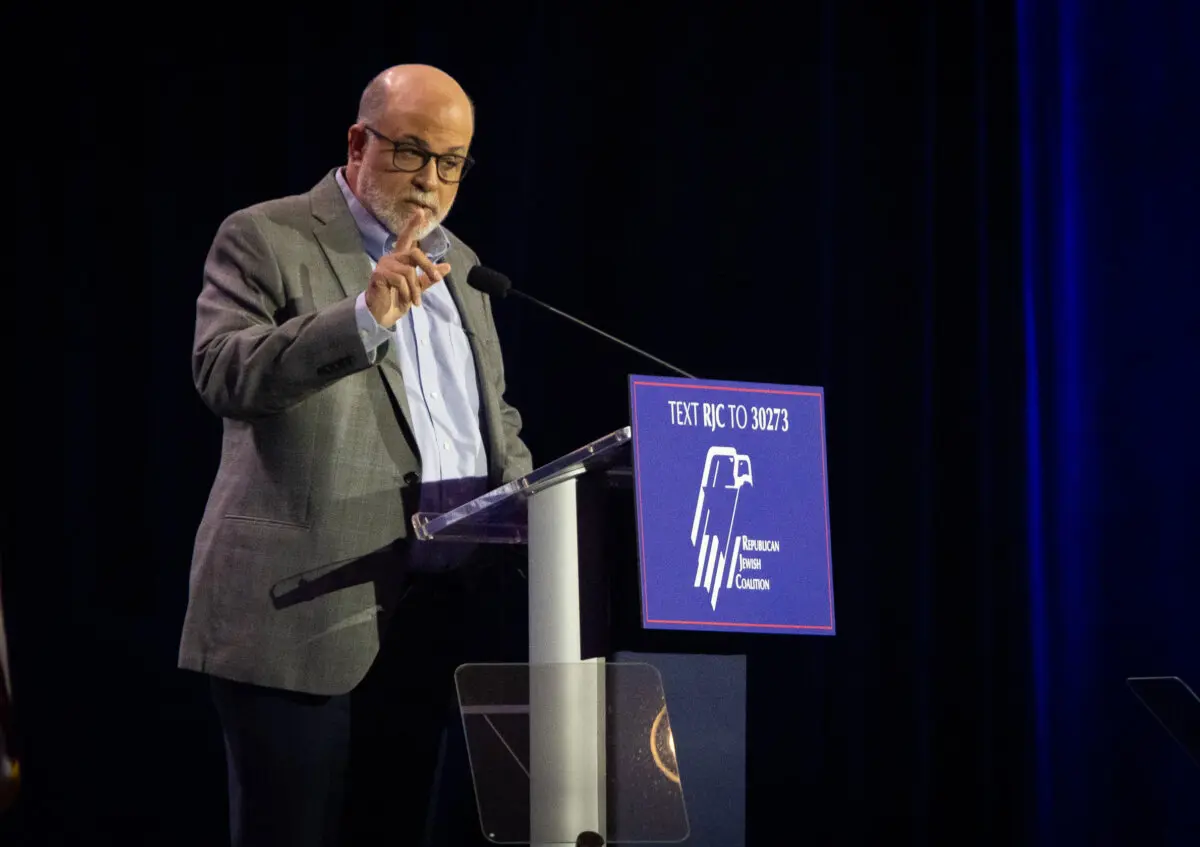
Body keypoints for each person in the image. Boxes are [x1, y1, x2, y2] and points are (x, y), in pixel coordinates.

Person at [178, 64, 533, 847]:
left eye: (451, 162)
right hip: (297, 618)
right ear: (358, 142)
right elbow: (224, 372)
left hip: (432, 623)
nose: (431, 180)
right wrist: (363, 315)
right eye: (411, 151)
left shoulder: (464, 266)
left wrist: (531, 501)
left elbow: (488, 414)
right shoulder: (266, 235)